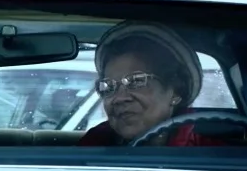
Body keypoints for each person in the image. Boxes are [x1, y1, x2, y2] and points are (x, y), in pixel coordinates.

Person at [78, 20, 233, 147]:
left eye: (136, 81)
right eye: (109, 87)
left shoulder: (214, 155)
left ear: (176, 91)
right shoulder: (95, 143)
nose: (119, 98)